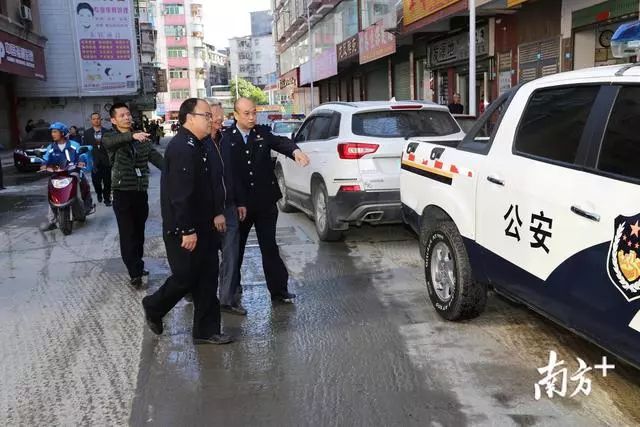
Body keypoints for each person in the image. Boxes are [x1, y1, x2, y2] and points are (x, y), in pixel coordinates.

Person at [142, 98, 232, 345]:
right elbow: (180, 195)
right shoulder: (182, 147)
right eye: (205, 115)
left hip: (205, 225)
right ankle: (154, 305)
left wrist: (216, 212)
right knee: (185, 277)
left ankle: (206, 330)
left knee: (207, 277)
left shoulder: (200, 144)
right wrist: (187, 230)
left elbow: (209, 185)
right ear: (189, 118)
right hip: (185, 229)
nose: (210, 119)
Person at [224, 97, 310, 304]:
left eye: (254, 112)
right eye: (246, 113)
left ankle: (279, 290)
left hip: (265, 202)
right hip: (241, 206)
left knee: (269, 247)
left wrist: (295, 151)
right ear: (235, 115)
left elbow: (281, 142)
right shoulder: (227, 138)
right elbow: (228, 175)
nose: (252, 117)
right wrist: (236, 202)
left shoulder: (261, 133)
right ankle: (232, 291)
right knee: (236, 249)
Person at [103, 103, 163, 289]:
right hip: (122, 194)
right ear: (113, 120)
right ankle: (135, 272)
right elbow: (111, 143)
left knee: (138, 234)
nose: (127, 118)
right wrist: (131, 135)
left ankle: (138, 264)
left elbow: (156, 158)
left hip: (140, 193)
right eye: (122, 115)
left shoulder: (141, 138)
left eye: (128, 114)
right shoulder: (110, 137)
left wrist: (176, 170)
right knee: (128, 233)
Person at [207, 102, 244, 315]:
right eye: (216, 116)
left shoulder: (226, 140)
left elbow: (232, 175)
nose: (220, 120)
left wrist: (239, 202)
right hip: (208, 211)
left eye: (222, 116)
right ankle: (200, 294)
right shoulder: (199, 144)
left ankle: (227, 299)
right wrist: (215, 212)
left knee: (231, 254)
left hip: (229, 207)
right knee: (207, 258)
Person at [39, 122, 93, 231]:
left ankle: (82, 209)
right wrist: (44, 165)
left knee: (76, 179)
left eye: (55, 132)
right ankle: (52, 221)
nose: (52, 134)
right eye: (52, 132)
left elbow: (81, 155)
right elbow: (45, 159)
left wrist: (81, 162)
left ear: (62, 133)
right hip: (58, 174)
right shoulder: (51, 147)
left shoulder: (74, 145)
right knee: (51, 191)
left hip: (72, 172)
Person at [83, 112, 112, 206]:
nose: (96, 120)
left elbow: (110, 147)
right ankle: (99, 193)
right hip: (94, 162)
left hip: (106, 161)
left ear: (101, 120)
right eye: (94, 119)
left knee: (107, 182)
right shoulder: (87, 133)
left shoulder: (107, 132)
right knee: (96, 182)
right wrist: (87, 161)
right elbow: (85, 148)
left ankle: (107, 199)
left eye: (98, 118)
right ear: (91, 121)